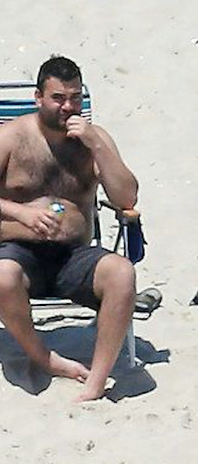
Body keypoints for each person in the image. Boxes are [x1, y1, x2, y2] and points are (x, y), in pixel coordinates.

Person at [0, 56, 139, 402]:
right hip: (18, 253)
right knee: (2, 276)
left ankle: (96, 383)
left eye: (75, 98)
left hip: (75, 256)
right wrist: (20, 213)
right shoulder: (11, 137)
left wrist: (97, 146)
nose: (68, 107)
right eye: (58, 98)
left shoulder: (95, 140)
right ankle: (45, 358)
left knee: (122, 273)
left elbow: (126, 197)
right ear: (38, 98)